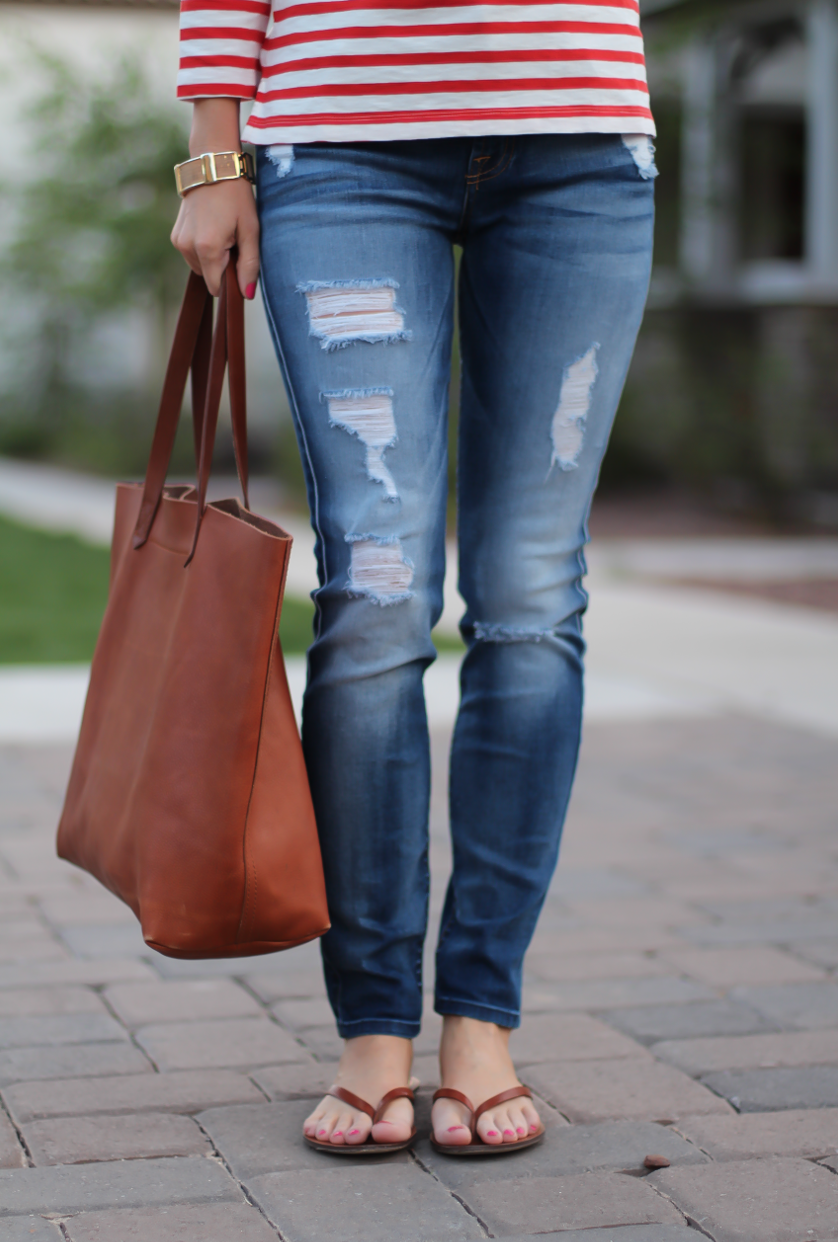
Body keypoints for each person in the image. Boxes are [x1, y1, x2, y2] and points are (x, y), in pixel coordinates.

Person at [171, 0, 656, 1155]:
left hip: (576, 135)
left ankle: (481, 1019)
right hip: (342, 140)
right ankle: (374, 1029)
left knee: (532, 598)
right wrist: (213, 149)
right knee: (379, 591)